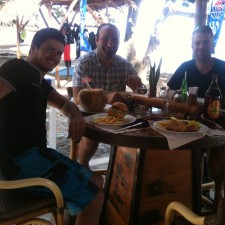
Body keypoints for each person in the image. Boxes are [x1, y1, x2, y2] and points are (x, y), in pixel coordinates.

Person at [0, 28, 104, 225]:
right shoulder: (20, 69)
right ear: (33, 48)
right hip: (19, 163)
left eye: (58, 52)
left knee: (97, 182)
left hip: (37, 155)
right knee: (95, 198)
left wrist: (75, 115)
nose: (54, 57)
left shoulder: (39, 81)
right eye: (49, 49)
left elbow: (65, 104)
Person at [167, 25, 225, 210]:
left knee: (215, 160)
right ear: (192, 45)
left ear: (212, 44)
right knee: (180, 157)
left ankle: (219, 192)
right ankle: (186, 194)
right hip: (188, 125)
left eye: (205, 43)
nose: (201, 46)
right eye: (197, 43)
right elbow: (169, 93)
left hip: (216, 124)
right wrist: (173, 100)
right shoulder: (185, 67)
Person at [72, 23, 142, 167]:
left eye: (115, 39)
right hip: (87, 116)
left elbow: (142, 94)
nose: (110, 43)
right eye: (105, 38)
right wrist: (108, 97)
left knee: (134, 137)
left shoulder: (123, 64)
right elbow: (77, 98)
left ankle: (120, 177)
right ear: (97, 39)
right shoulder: (84, 63)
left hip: (116, 117)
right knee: (91, 141)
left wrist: (137, 88)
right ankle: (83, 169)